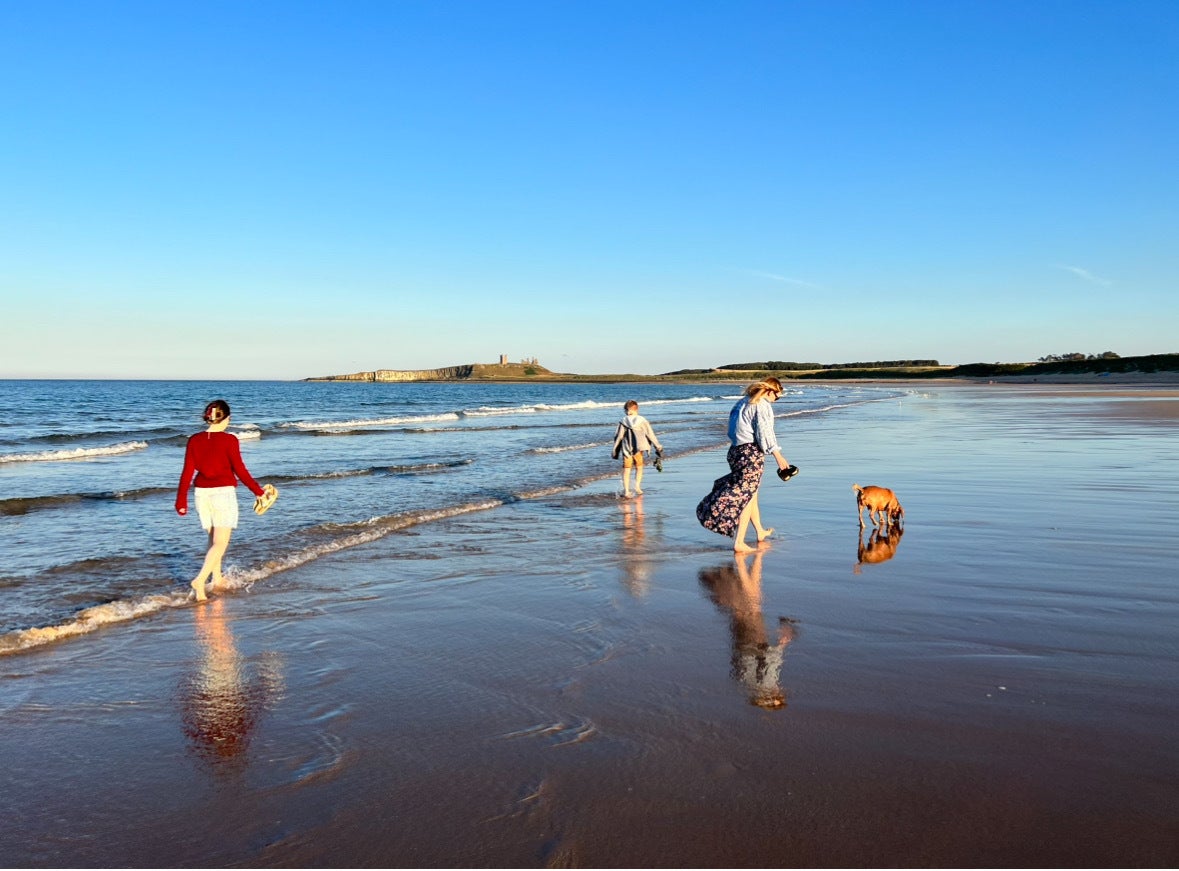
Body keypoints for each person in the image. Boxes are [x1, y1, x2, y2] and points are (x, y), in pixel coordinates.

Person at [175, 400, 269, 602]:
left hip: (201, 494)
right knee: (220, 543)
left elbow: (187, 472)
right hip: (222, 494)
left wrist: (181, 500)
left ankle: (216, 579)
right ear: (226, 418)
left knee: (212, 541)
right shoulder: (229, 440)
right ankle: (200, 580)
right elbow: (239, 469)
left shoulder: (194, 440)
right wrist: (258, 491)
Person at [696, 378, 792, 553]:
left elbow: (732, 430)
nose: (775, 400)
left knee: (752, 493)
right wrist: (777, 454)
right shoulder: (761, 404)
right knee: (747, 496)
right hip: (750, 453)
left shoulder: (742, 402)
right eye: (777, 397)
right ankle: (739, 542)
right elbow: (765, 432)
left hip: (735, 451)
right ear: (770, 391)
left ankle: (760, 531)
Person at [611, 400, 663, 497]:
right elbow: (650, 434)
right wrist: (658, 446)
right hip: (639, 447)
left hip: (626, 448)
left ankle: (626, 491)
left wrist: (615, 450)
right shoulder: (642, 420)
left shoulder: (623, 421)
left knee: (626, 468)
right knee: (639, 467)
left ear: (627, 410)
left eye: (625, 410)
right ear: (636, 409)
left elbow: (618, 436)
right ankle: (637, 487)